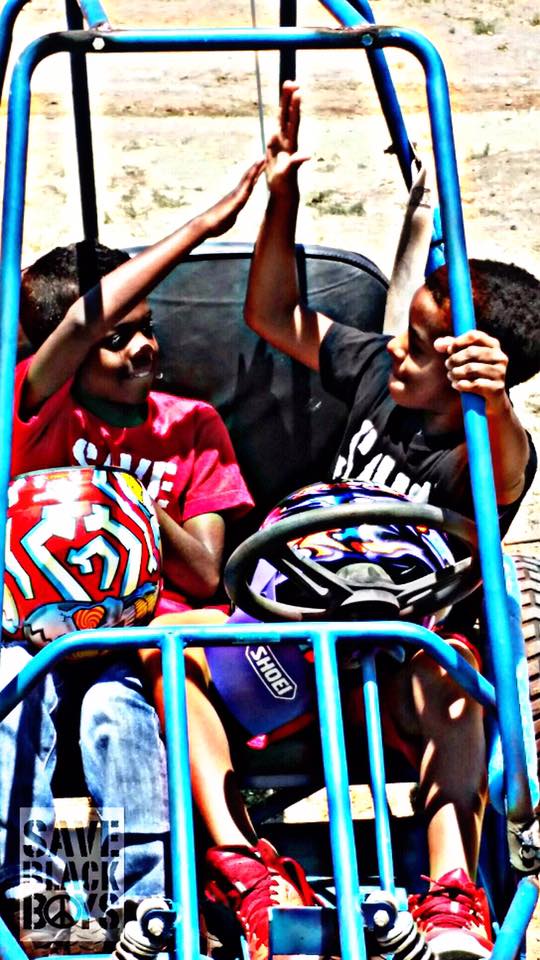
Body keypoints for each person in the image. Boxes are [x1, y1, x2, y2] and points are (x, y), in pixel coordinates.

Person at [237, 81, 540, 960]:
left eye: (421, 347)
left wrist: (493, 402)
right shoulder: (381, 373)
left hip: (407, 647)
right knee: (176, 664)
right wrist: (282, 195)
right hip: (303, 631)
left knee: (455, 684)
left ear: (473, 370)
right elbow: (271, 316)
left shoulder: (486, 450)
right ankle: (238, 868)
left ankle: (451, 898)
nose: (395, 350)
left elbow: (508, 462)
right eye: (402, 334)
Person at [0, 160, 262, 955]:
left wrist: (135, 505)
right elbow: (80, 324)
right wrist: (200, 229)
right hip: (32, 634)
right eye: (117, 338)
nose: (142, 346)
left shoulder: (191, 426)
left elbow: (207, 574)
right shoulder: (35, 409)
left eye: (148, 328)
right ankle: (38, 897)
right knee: (14, 698)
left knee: (113, 716)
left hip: (138, 636)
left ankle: (144, 906)